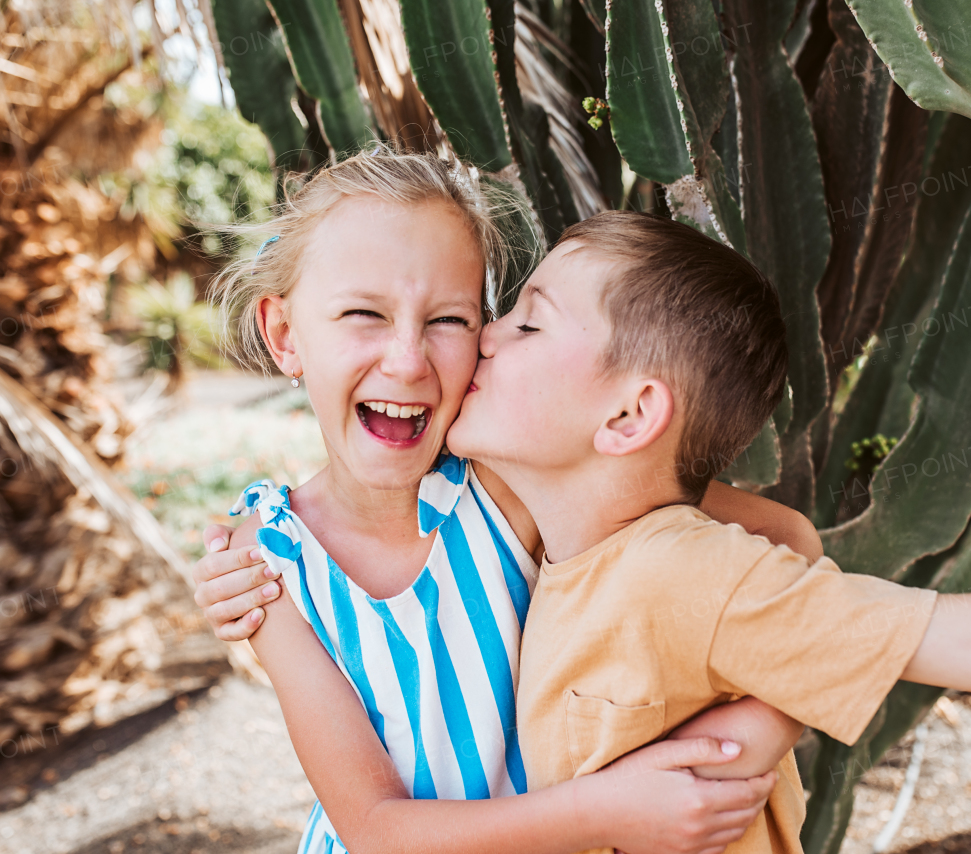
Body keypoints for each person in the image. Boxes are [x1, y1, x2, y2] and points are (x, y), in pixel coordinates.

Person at [199, 149, 820, 854]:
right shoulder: (269, 565)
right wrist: (608, 810)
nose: (407, 359)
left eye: (449, 321)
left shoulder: (510, 484)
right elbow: (374, 829)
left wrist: (754, 736)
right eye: (363, 313)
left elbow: (788, 539)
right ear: (285, 336)